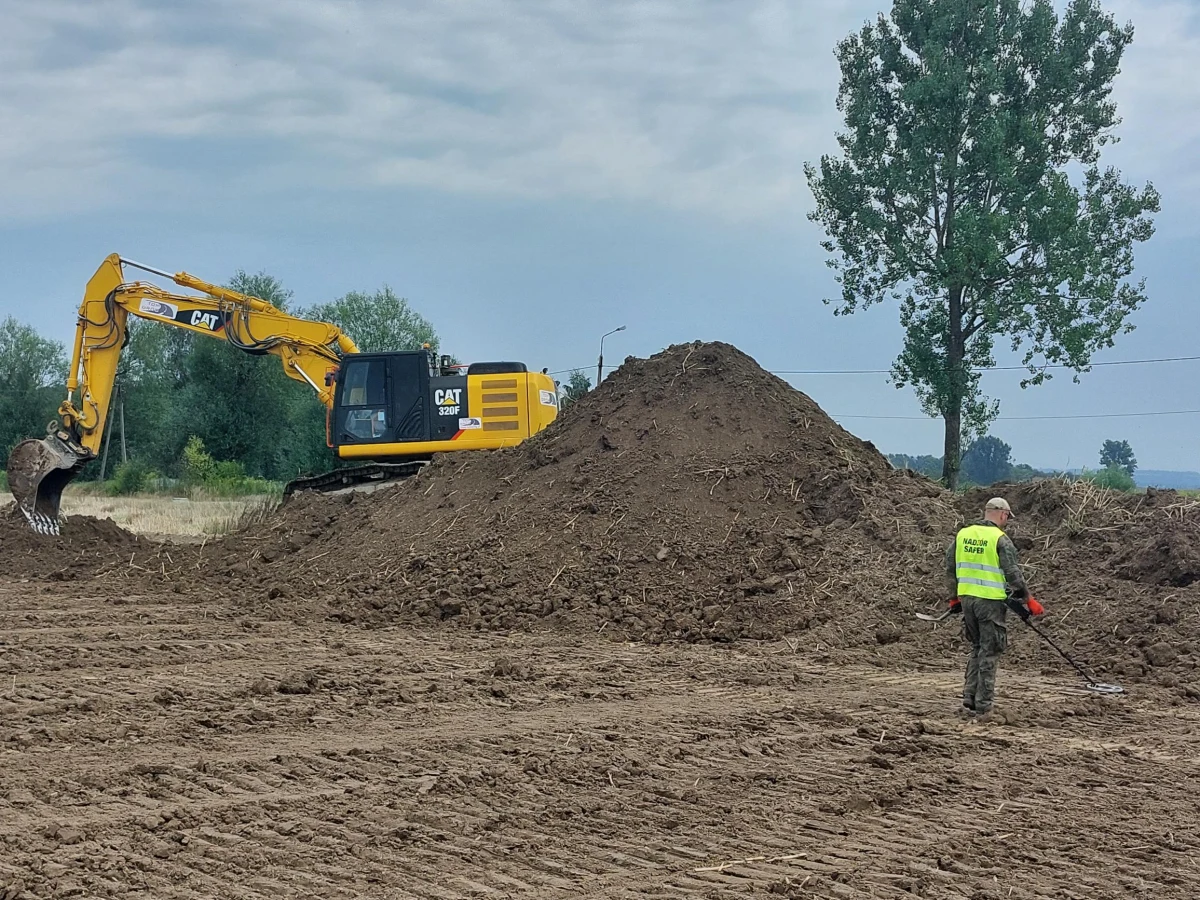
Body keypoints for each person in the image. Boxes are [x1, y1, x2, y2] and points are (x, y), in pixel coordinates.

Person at [944, 497, 1039, 717]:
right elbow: (1013, 573)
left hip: (967, 600)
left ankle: (969, 697)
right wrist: (1027, 598)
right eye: (1007, 517)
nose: (1006, 521)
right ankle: (984, 705)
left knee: (977, 647)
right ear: (1003, 514)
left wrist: (954, 598)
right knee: (990, 650)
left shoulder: (963, 534)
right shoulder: (1000, 539)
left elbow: (950, 567)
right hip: (990, 603)